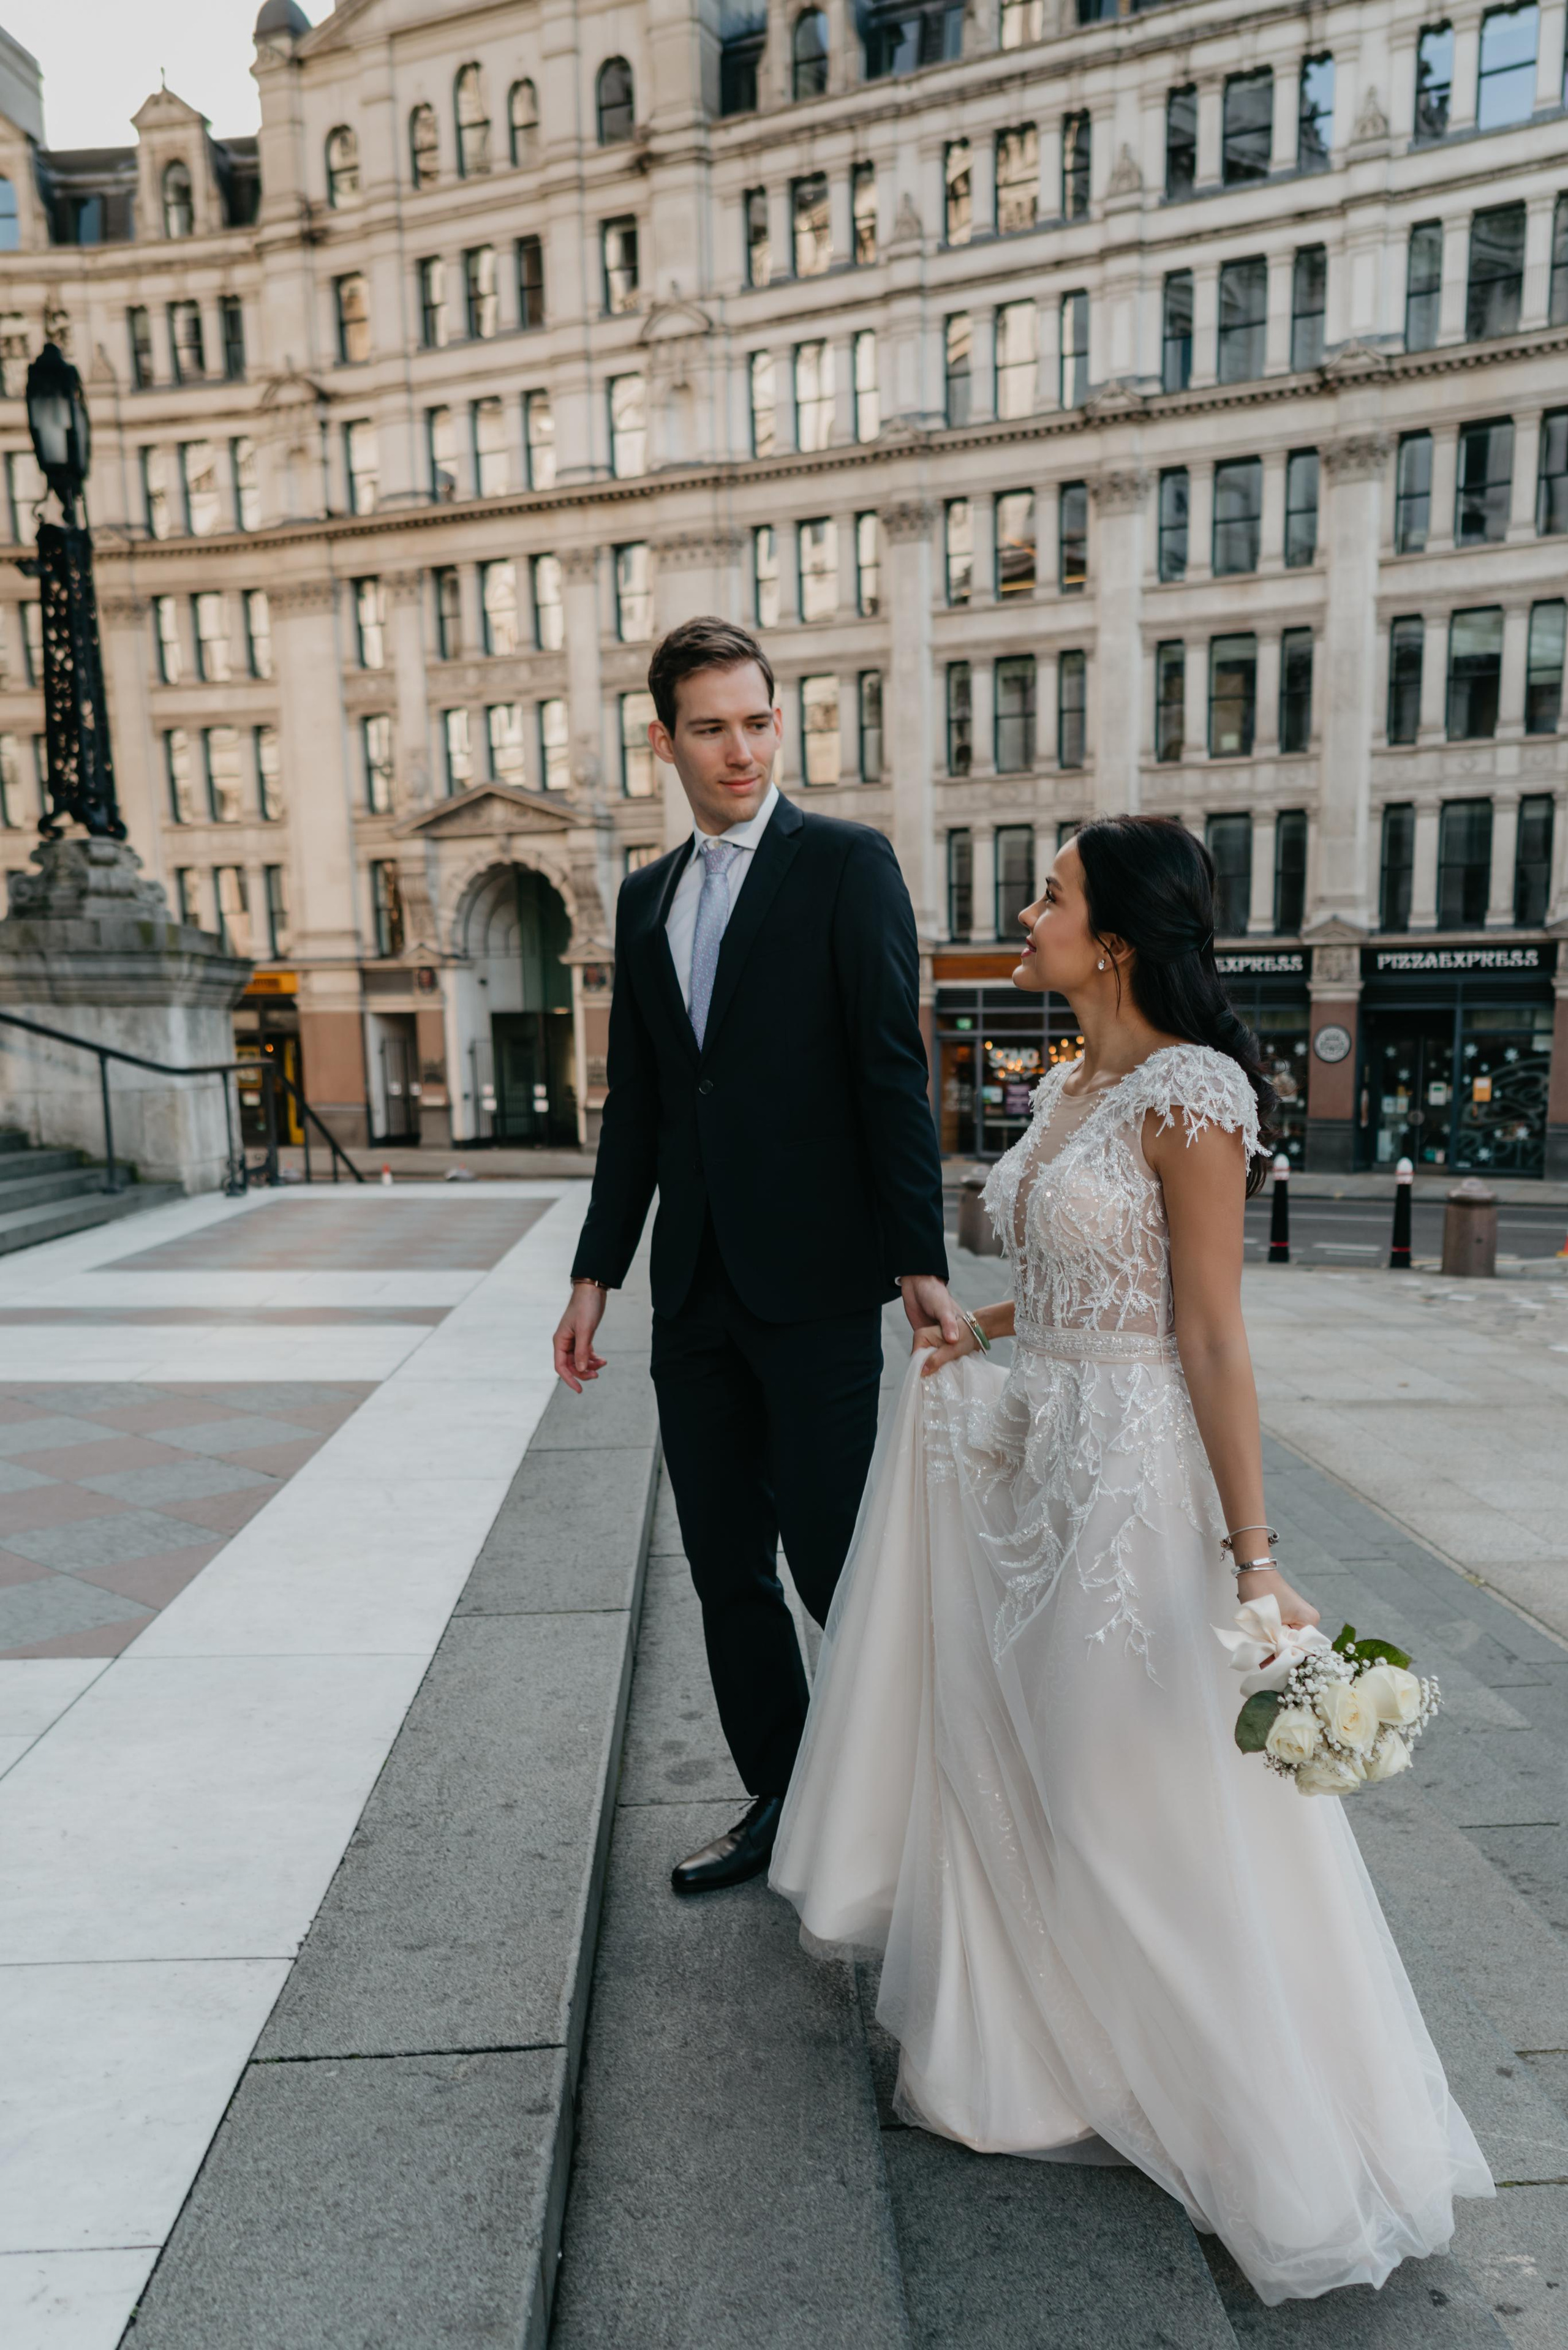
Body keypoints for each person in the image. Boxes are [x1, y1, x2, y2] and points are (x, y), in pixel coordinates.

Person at [771, 816, 1492, 2305]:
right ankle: (1036, 2061)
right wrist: (981, 1329)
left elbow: (1208, 1329)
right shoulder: (1062, 1086)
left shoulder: (1191, 1092)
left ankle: (1247, 2107)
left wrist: (1254, 1554)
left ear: (1112, 937)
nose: (1023, 911)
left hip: (1127, 1487)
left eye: (1047, 894)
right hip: (1024, 1459)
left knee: (1117, 1792)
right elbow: (1064, 1280)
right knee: (1018, 1768)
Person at [552, 616, 962, 1896]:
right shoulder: (644, 894)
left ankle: (923, 1800)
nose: (740, 748)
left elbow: (890, 1072)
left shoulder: (845, 866)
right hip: (698, 1293)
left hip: (822, 1283)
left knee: (839, 1562)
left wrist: (917, 1257)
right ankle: (784, 1800)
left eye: (758, 719)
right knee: (723, 1563)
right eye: (712, 726)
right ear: (663, 739)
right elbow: (644, 1100)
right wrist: (593, 1273)